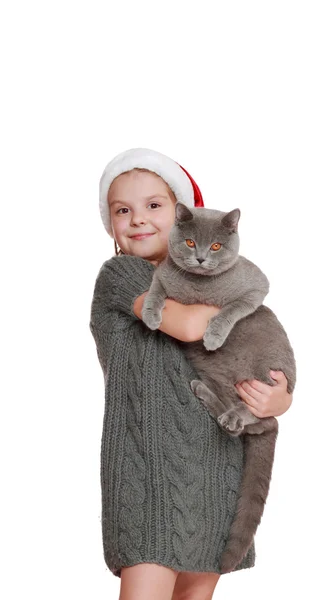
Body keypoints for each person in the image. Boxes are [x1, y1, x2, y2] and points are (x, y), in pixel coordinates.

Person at [89, 148, 292, 600]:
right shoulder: (121, 276)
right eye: (123, 210)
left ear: (184, 217)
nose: (138, 218)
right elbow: (185, 324)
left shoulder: (214, 280)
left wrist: (280, 398)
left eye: (154, 205)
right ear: (112, 226)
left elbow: (264, 350)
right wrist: (234, 297)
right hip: (146, 477)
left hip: (218, 470)